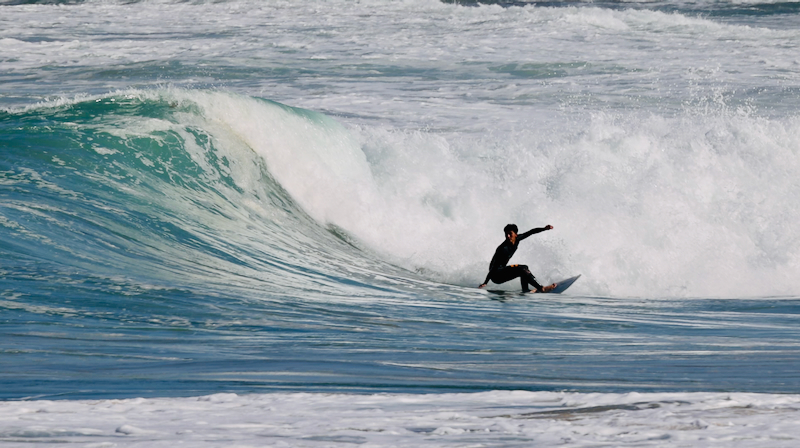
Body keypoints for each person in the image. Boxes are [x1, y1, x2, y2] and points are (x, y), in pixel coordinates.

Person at [478, 224, 557, 293]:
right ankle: (542, 288)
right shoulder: (502, 249)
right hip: (496, 275)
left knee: (524, 268)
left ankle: (525, 290)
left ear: (516, 234)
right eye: (506, 234)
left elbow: (531, 232)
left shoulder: (517, 239)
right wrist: (486, 282)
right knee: (521, 269)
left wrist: (544, 228)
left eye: (510, 234)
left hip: (502, 270)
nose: (508, 236)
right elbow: (493, 268)